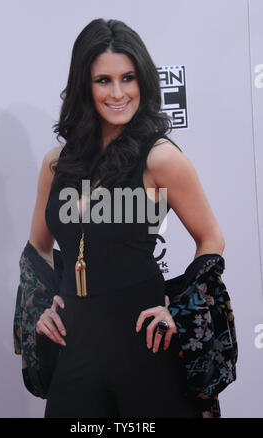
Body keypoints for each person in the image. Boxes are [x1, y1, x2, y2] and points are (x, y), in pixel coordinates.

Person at [29, 18, 225, 418]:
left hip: (144, 343)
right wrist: (40, 309)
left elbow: (211, 239)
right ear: (85, 85)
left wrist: (179, 308)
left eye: (128, 78)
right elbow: (38, 246)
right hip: (75, 346)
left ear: (144, 82)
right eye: (103, 80)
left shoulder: (161, 159)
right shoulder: (56, 165)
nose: (118, 93)